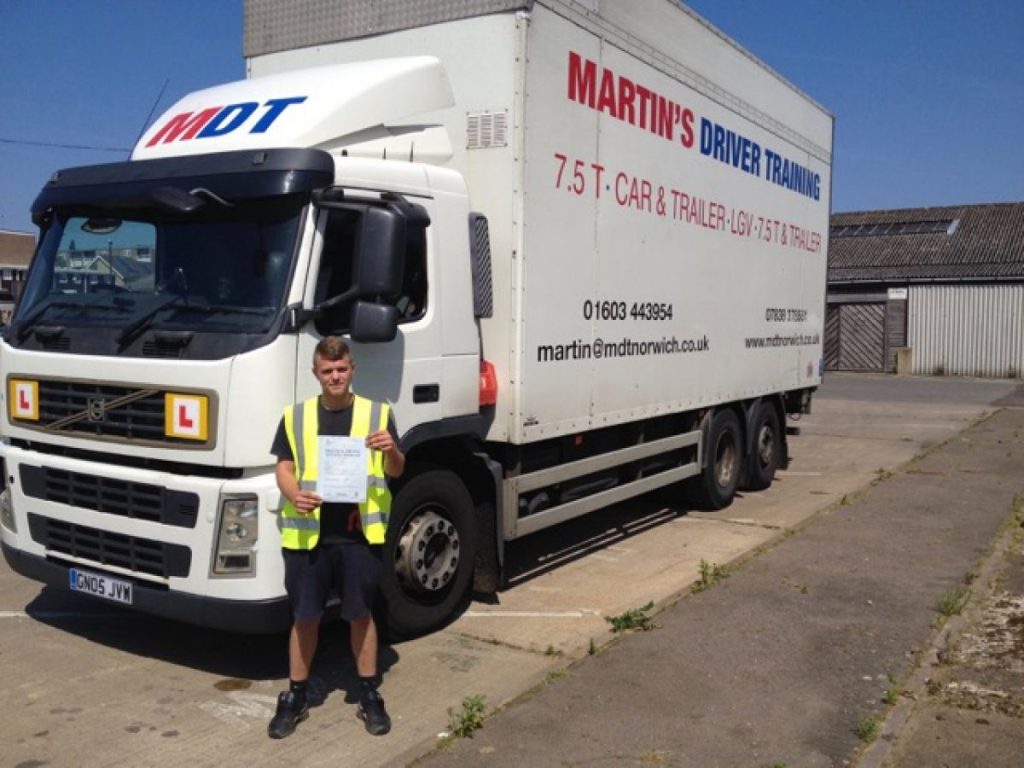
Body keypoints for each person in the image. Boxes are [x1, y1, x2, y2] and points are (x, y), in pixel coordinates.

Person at [268, 336, 406, 739]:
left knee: (360, 615)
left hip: (358, 535)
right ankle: (295, 694)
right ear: (316, 374)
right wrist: (295, 495)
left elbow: (396, 470)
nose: (335, 376)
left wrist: (392, 449)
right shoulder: (294, 416)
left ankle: (368, 691)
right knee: (305, 616)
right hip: (309, 536)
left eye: (341, 368)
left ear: (352, 370)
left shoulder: (378, 413)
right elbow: (284, 467)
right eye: (327, 371)